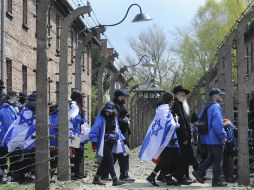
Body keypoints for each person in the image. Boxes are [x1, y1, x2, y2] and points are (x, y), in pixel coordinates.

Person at [140, 92, 180, 187]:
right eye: (172, 99)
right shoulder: (165, 109)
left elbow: (164, 122)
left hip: (165, 138)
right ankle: (152, 176)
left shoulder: (161, 108)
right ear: (169, 100)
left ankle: (168, 178)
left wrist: (173, 119)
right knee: (165, 160)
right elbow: (168, 124)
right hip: (167, 139)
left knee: (166, 159)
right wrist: (176, 124)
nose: (173, 101)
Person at [192, 88, 227, 187]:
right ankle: (216, 181)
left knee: (211, 157)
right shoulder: (216, 106)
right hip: (215, 138)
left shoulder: (205, 106)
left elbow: (199, 120)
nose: (222, 97)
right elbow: (217, 124)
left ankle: (199, 172)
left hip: (206, 138)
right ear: (215, 96)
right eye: (220, 95)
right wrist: (223, 136)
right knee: (218, 160)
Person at [89, 101, 126, 186]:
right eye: (106, 110)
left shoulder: (114, 118)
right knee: (110, 160)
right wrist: (93, 142)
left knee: (105, 161)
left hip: (111, 142)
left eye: (109, 111)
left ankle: (96, 178)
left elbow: (117, 130)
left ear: (113, 110)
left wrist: (123, 139)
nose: (107, 112)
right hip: (103, 142)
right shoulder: (100, 117)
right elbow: (95, 129)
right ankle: (115, 179)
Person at [4, 92, 37, 183]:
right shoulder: (27, 111)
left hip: (21, 139)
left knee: (24, 158)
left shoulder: (27, 109)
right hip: (19, 138)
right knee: (22, 158)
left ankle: (22, 175)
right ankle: (20, 176)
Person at [171, 85, 198, 184]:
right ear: (176, 95)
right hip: (181, 136)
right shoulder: (177, 105)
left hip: (182, 135)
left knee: (185, 156)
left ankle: (185, 175)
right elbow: (181, 121)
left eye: (184, 94)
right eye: (182, 94)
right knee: (182, 156)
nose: (184, 96)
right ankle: (180, 177)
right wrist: (185, 136)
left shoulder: (180, 104)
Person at [110, 89, 135, 183]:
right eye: (123, 96)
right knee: (124, 154)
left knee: (116, 155)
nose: (124, 98)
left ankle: (104, 174)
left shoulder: (119, 105)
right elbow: (115, 119)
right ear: (118, 97)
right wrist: (126, 120)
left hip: (123, 134)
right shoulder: (114, 105)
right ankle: (124, 175)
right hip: (120, 134)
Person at [0, 91, 19, 183]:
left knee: (11, 157)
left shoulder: (11, 108)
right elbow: (9, 125)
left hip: (9, 137)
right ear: (12, 96)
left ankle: (9, 175)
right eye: (16, 96)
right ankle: (4, 175)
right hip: (6, 138)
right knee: (5, 157)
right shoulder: (6, 109)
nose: (17, 98)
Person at [69, 90, 86, 180]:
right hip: (74, 134)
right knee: (77, 153)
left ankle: (77, 173)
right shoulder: (73, 107)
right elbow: (75, 119)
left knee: (79, 153)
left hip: (78, 134)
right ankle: (74, 173)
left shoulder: (78, 108)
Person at [223, 119, 237, 183]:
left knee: (225, 161)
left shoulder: (222, 126)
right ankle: (233, 176)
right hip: (232, 145)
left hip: (225, 145)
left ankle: (227, 177)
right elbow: (236, 133)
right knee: (233, 161)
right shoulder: (231, 126)